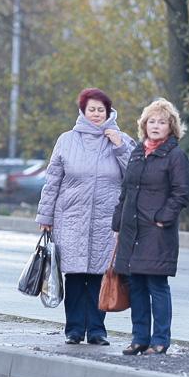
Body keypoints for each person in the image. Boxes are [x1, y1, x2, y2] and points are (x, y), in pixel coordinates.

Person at [36, 88, 136, 345]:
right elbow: (52, 182)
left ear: (108, 112)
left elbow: (135, 176)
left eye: (101, 110)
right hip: (71, 219)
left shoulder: (122, 140)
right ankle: (73, 330)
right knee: (74, 276)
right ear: (83, 111)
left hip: (106, 222)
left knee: (99, 276)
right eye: (92, 109)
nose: (96, 114)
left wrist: (119, 147)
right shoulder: (66, 140)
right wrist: (45, 217)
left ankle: (97, 330)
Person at [113, 98, 189, 356]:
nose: (156, 126)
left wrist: (162, 218)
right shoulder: (137, 153)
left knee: (156, 286)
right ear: (144, 125)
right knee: (135, 286)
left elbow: (181, 193)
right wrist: (118, 221)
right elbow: (125, 190)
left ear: (171, 127)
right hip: (131, 230)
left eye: (162, 122)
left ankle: (160, 340)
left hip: (157, 231)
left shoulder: (176, 156)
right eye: (151, 121)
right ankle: (139, 339)